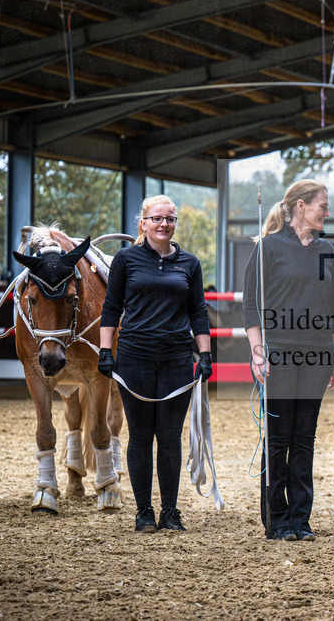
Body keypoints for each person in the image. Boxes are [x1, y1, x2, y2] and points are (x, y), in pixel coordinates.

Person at [98, 195, 211, 533]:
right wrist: (106, 350)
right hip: (135, 357)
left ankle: (171, 511)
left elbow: (198, 312)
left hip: (176, 357)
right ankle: (144, 511)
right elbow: (112, 306)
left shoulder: (189, 263)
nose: (165, 224)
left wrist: (204, 354)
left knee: (171, 435)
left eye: (171, 219)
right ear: (144, 222)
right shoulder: (126, 259)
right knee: (141, 434)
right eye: (158, 218)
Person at [242, 180, 334, 542]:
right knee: (278, 438)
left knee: (305, 438)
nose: (326, 212)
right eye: (322, 206)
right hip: (279, 352)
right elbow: (250, 304)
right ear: (301, 206)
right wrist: (257, 352)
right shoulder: (267, 247)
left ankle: (301, 519)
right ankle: (277, 518)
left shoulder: (327, 249)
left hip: (317, 355)